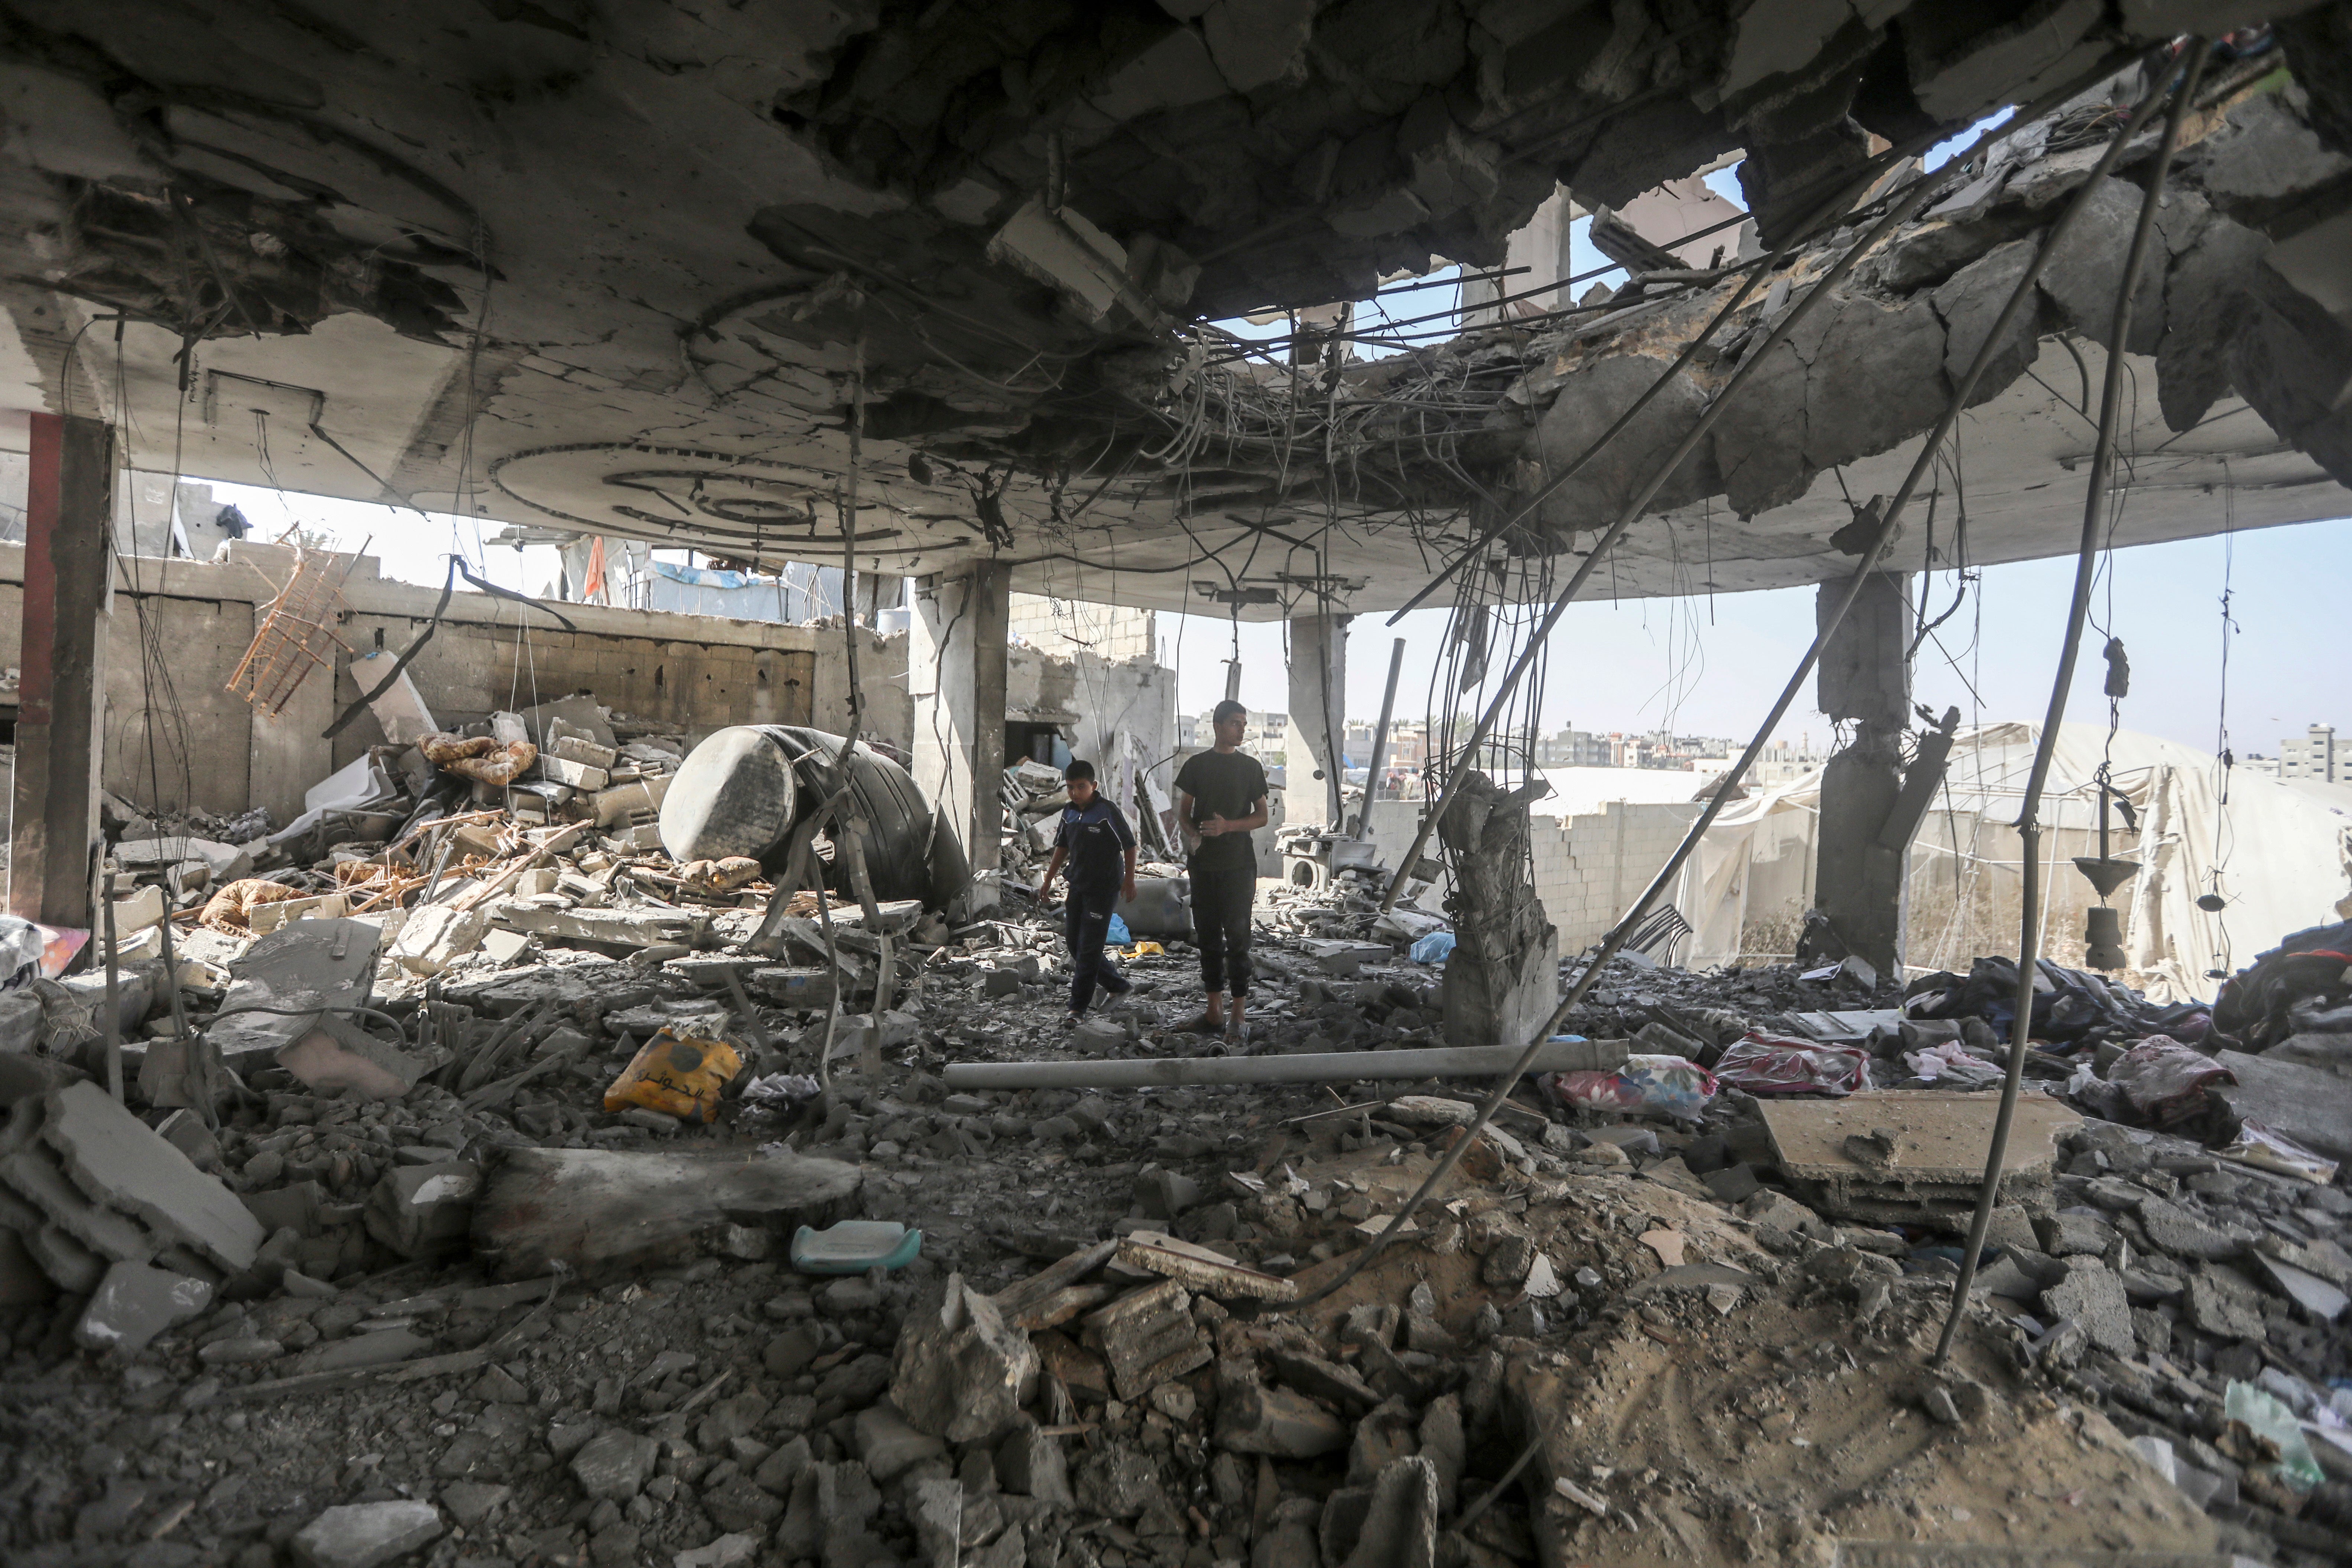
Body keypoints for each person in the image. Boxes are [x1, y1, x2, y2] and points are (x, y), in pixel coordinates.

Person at [1173, 699, 1269, 1044]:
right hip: (1203, 864)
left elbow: (1262, 816)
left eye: (1244, 723)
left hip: (1239, 866)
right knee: (1209, 938)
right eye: (1235, 723)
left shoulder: (1250, 768)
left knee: (1239, 938)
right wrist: (1194, 835)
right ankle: (1214, 1011)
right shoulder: (1197, 765)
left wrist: (1229, 825)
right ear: (1217, 726)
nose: (1241, 729)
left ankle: (1238, 1016)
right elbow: (1183, 812)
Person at [1037, 759, 1138, 1021]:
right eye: (1070, 787)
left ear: (1093, 785)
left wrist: (1130, 880)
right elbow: (1061, 846)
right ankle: (1117, 985)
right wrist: (1048, 880)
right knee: (1074, 943)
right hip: (1079, 884)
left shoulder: (1107, 812)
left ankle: (1077, 1008)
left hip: (1103, 888)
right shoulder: (1070, 812)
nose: (1074, 792)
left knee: (1090, 947)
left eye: (1080, 787)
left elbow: (1129, 845)